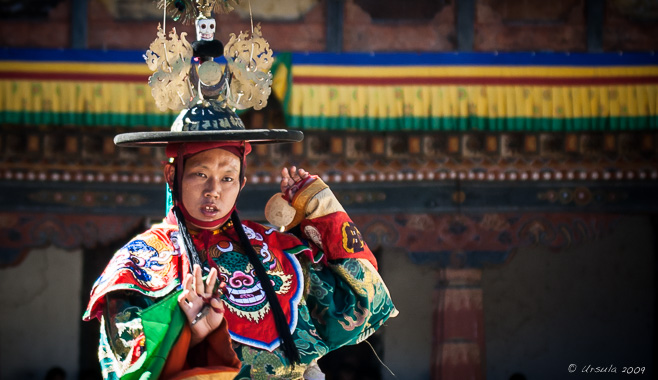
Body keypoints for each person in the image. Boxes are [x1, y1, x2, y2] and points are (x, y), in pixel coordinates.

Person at [82, 102, 398, 379]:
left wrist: (324, 213)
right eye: (200, 174)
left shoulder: (276, 248)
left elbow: (365, 303)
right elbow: (122, 364)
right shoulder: (138, 262)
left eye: (227, 178)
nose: (213, 191)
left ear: (242, 182)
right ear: (172, 176)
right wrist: (187, 333)